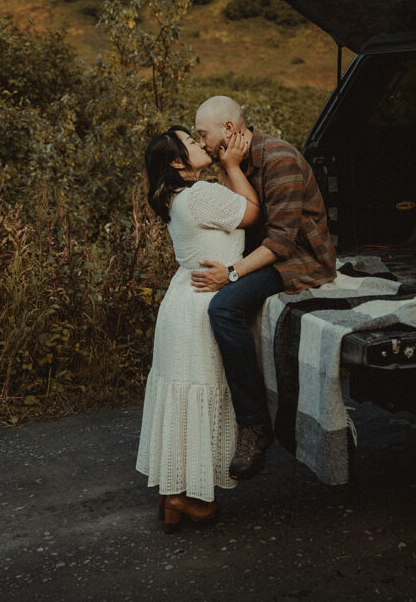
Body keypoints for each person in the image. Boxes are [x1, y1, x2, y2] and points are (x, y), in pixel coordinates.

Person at [193, 96, 336, 480]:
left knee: (223, 307)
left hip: (301, 259)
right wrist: (228, 167)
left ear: (228, 130)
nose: (200, 142)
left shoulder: (279, 159)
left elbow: (281, 244)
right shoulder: (233, 161)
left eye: (203, 134)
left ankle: (254, 426)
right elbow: (234, 218)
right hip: (264, 254)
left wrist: (233, 274)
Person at [135, 125, 260, 532]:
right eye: (190, 143)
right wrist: (233, 164)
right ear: (176, 162)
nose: (199, 143)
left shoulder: (175, 196)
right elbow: (251, 211)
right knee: (201, 394)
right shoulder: (200, 194)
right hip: (206, 300)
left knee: (184, 397)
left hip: (182, 299)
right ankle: (186, 497)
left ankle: (172, 497)